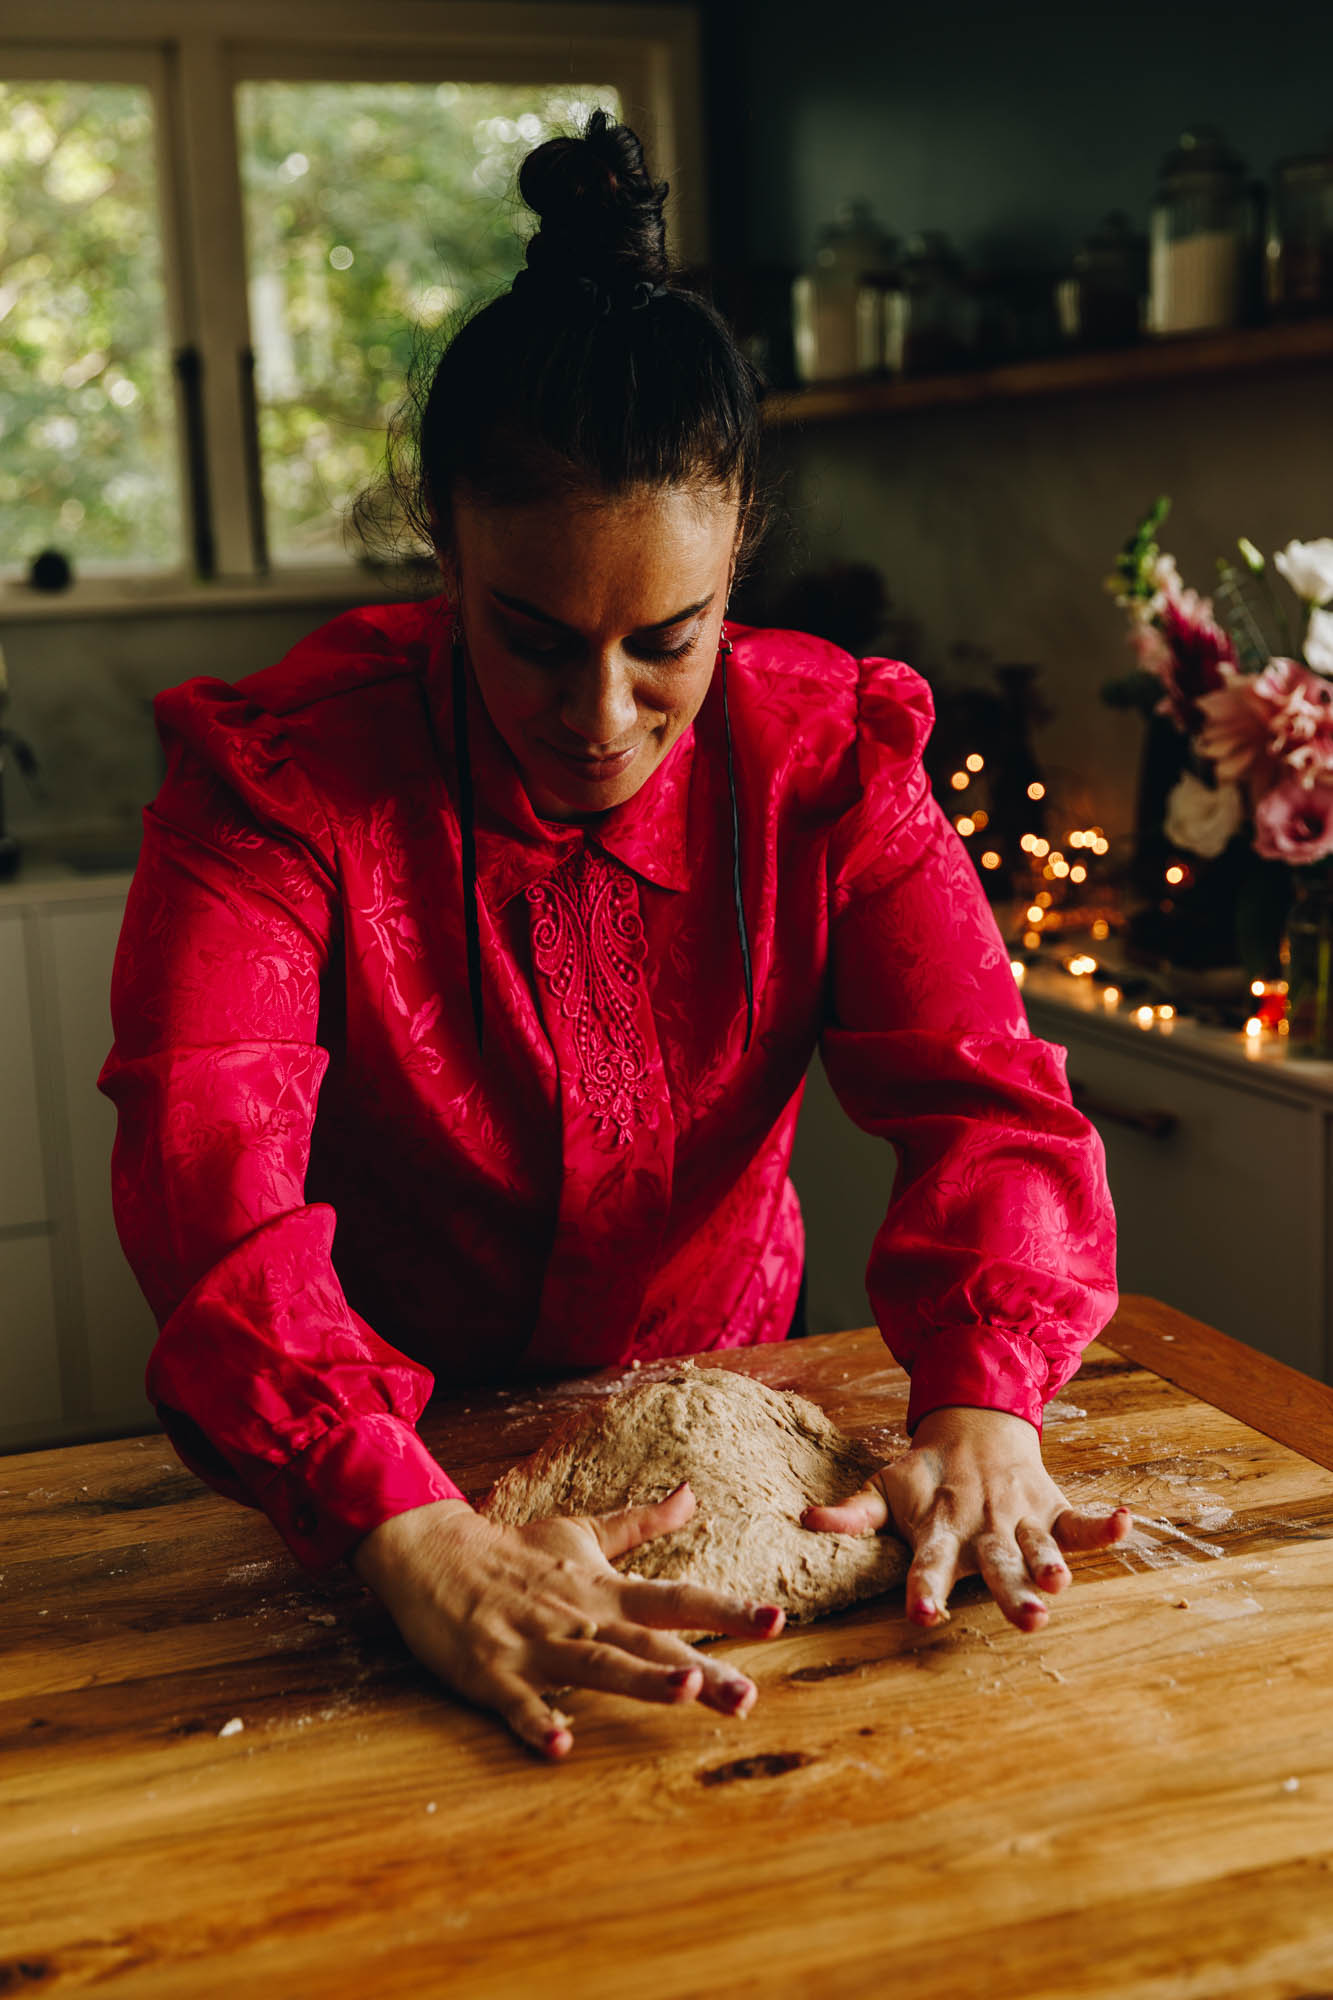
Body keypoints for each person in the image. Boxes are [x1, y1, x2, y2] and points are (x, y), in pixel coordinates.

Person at [98, 110, 1128, 1763]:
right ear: (445, 549)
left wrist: (985, 1400)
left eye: (669, 640)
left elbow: (983, 1105)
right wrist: (405, 1528)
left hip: (731, 1411)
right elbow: (210, 1179)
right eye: (528, 638)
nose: (600, 716)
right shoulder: (280, 782)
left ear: (739, 559)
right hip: (374, 1448)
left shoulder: (825, 760)